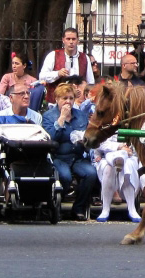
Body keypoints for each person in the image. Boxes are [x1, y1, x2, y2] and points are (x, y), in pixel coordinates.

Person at [41, 83, 98, 221]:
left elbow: (88, 137)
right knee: (65, 176)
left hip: (77, 156)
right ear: (57, 99)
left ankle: (78, 208)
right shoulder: (49, 116)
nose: (68, 101)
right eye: (64, 98)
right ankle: (55, 206)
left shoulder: (80, 116)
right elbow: (51, 139)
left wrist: (84, 141)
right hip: (58, 157)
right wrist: (61, 119)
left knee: (91, 174)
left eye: (71, 98)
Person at [93, 134, 145, 222]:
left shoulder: (130, 124)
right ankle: (105, 210)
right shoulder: (107, 123)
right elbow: (100, 143)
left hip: (129, 157)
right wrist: (119, 146)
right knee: (108, 169)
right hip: (106, 156)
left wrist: (129, 149)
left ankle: (132, 209)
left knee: (127, 167)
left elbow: (138, 142)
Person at [39, 27, 95, 102]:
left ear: (78, 40)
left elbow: (90, 82)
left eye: (73, 39)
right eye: (68, 39)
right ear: (63, 40)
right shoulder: (53, 55)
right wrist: (57, 73)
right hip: (56, 102)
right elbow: (42, 77)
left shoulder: (85, 58)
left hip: (78, 102)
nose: (71, 42)